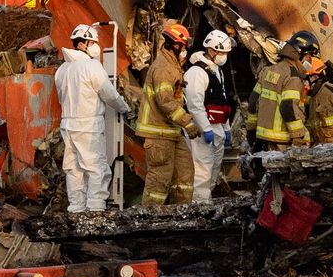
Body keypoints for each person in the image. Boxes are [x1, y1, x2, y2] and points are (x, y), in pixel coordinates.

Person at [54, 24, 129, 213]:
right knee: (96, 167)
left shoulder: (62, 70)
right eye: (93, 42)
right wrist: (124, 107)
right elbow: (109, 94)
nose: (96, 46)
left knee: (74, 168)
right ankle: (95, 208)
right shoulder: (92, 66)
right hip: (88, 124)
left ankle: (76, 207)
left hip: (68, 124)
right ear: (82, 44)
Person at [135, 23, 200, 205]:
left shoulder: (172, 66)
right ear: (177, 45)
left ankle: (180, 212)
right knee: (159, 179)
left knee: (184, 172)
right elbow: (166, 101)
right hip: (158, 134)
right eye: (184, 46)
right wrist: (187, 123)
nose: (185, 51)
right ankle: (150, 216)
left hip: (171, 132)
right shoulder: (163, 68)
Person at [183, 29, 237, 201]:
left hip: (217, 128)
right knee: (202, 169)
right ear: (212, 50)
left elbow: (221, 101)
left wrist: (226, 128)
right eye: (221, 52)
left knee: (214, 167)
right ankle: (200, 204)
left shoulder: (216, 70)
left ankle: (207, 200)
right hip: (202, 131)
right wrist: (205, 129)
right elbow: (195, 105)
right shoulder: (196, 72)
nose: (224, 56)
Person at [247, 30, 318, 150]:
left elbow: (253, 101)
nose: (310, 62)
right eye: (310, 57)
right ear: (303, 55)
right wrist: (298, 136)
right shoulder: (292, 77)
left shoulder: (268, 70)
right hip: (282, 141)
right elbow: (288, 107)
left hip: (262, 139)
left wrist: (251, 130)